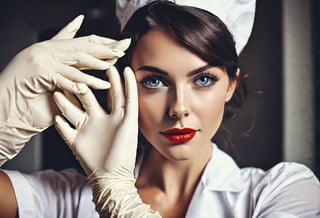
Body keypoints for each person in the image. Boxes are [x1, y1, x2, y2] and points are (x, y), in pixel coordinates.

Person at [0, 1, 319, 218]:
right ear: (123, 85)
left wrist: (121, 202)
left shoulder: (282, 191)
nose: (179, 108)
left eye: (204, 79)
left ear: (231, 85)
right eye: (154, 81)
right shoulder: (67, 197)